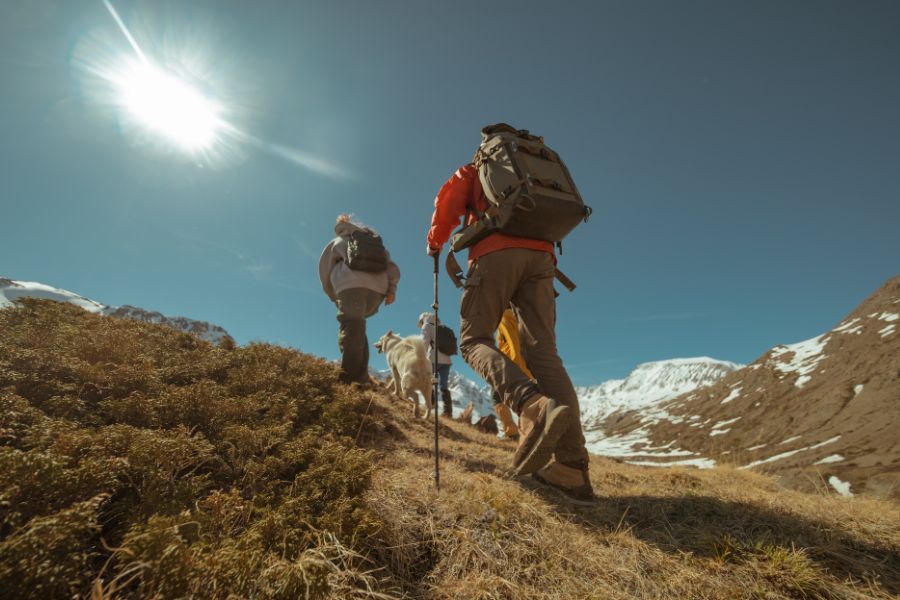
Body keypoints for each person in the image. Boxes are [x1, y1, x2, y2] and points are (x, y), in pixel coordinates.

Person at [426, 160, 595, 504]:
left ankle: (531, 406)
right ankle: (573, 468)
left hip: (494, 252)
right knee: (545, 354)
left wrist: (434, 242)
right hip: (543, 259)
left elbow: (447, 203)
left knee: (474, 341)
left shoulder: (478, 166)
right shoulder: (539, 164)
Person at [320, 214, 400, 384]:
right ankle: (361, 375)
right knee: (357, 326)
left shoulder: (339, 241)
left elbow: (324, 270)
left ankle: (349, 378)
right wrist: (391, 290)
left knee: (350, 326)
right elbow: (392, 268)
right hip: (377, 292)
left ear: (340, 227)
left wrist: (333, 295)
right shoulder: (374, 243)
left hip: (350, 288)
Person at [419, 312, 454, 417]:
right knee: (444, 386)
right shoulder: (443, 327)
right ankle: (448, 412)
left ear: (423, 320)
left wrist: (420, 357)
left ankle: (431, 403)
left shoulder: (427, 326)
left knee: (427, 380)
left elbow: (424, 343)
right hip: (447, 361)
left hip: (433, 359)